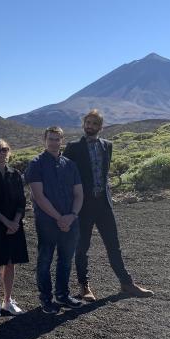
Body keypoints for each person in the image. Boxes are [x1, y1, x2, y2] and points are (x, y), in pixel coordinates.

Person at [63, 109, 154, 301]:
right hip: (83, 206)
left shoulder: (107, 146)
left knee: (114, 246)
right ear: (83, 124)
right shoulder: (72, 147)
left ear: (100, 127)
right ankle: (83, 286)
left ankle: (127, 284)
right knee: (82, 248)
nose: (90, 126)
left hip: (104, 205)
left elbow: (103, 176)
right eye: (88, 123)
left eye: (94, 123)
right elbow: (66, 176)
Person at [26, 126, 84, 314]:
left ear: (62, 141)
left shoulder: (70, 165)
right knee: (45, 260)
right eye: (50, 139)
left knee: (66, 260)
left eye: (57, 139)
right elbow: (39, 196)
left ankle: (62, 294)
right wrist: (60, 218)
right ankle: (46, 298)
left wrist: (72, 216)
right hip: (47, 223)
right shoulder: (36, 164)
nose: (53, 142)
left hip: (70, 221)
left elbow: (79, 194)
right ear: (44, 140)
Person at [0, 139, 29, 318]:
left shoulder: (15, 174)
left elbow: (21, 201)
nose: (2, 153)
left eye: (5, 149)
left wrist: (16, 221)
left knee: (11, 263)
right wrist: (7, 222)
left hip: (14, 225)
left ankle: (8, 301)